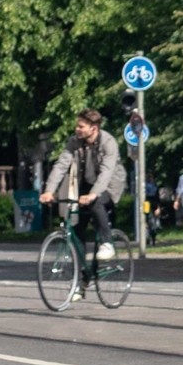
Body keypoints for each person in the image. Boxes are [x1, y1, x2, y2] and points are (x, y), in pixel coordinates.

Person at [38, 108, 126, 265]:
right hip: (86, 185)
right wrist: (49, 191)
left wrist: (94, 194)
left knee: (96, 202)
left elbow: (106, 172)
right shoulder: (74, 142)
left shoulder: (108, 142)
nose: (77, 129)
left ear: (94, 128)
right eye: (77, 126)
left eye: (81, 126)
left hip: (110, 185)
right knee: (77, 229)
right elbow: (61, 165)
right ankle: (82, 279)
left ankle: (107, 243)